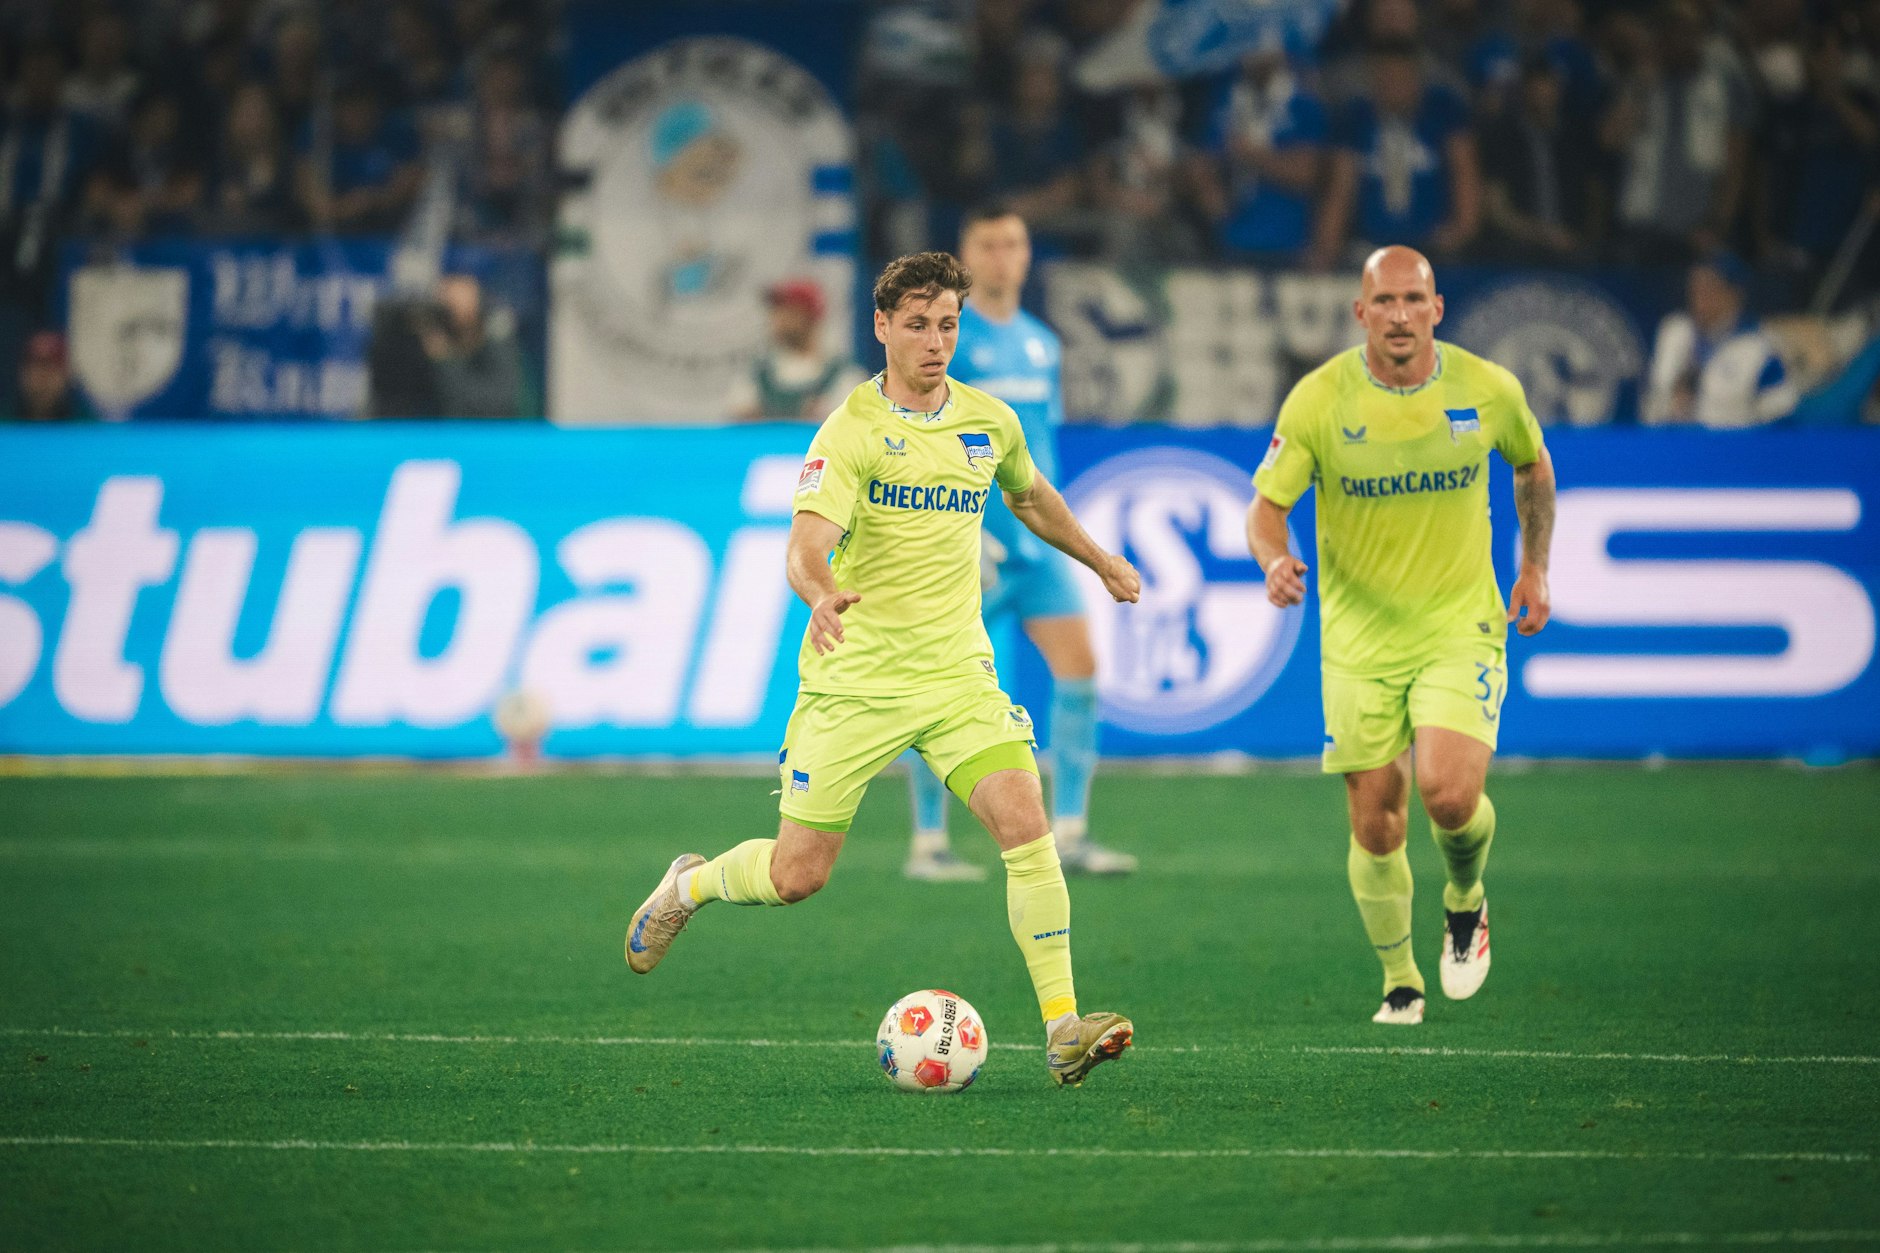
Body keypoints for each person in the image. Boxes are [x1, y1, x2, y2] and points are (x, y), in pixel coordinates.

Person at [626, 251, 1141, 1087]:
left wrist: (1098, 558)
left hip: (956, 678)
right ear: (881, 327)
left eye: (947, 325)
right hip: (855, 683)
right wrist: (821, 595)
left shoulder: (989, 421)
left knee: (1025, 820)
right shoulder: (850, 431)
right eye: (917, 325)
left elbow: (1031, 495)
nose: (935, 342)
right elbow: (805, 546)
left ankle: (1062, 1026)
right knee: (799, 875)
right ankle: (694, 883)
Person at [1247, 245, 1556, 1026]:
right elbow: (1266, 509)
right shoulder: (1318, 402)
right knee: (1377, 816)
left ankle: (1465, 896)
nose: (1398, 315)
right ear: (1360, 314)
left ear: (1437, 309)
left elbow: (1532, 466)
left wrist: (1536, 568)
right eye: (1382, 301)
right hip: (1358, 639)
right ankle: (1400, 979)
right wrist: (1274, 559)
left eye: (1413, 300)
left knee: (1450, 797)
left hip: (1460, 624)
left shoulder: (1487, 389)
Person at [902, 205, 1137, 882]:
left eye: (1014, 244)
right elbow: (930, 439)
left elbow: (1038, 450)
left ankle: (1071, 831)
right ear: (966, 255)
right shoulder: (951, 341)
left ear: (1027, 255)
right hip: (968, 551)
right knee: (935, 693)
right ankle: (928, 845)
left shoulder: (1042, 342)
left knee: (1081, 669)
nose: (1003, 256)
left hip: (1034, 552)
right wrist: (963, 532)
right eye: (989, 244)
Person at [1312, 41, 1481, 268]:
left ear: (1416, 78)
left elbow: (1464, 173)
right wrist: (1326, 248)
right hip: (1371, 249)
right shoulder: (1356, 120)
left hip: (1432, 249)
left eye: (1400, 78)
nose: (1391, 86)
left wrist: (1461, 229)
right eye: (1383, 78)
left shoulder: (1443, 112)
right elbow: (1340, 189)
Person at [1641, 253, 1798, 427]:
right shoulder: (1674, 331)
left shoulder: (1761, 348)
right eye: (1695, 289)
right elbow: (1651, 398)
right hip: (1668, 445)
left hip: (1729, 449)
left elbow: (1780, 422)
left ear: (1734, 294)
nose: (1699, 297)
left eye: (1709, 288)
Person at [725, 279, 867, 422]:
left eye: (788, 311)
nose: (777, 319)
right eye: (776, 311)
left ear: (810, 317)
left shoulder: (844, 375)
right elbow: (738, 418)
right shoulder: (758, 374)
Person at [2, 331, 91, 422]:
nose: (43, 378)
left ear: (65, 374)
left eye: (50, 368)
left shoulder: (85, 424)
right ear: (23, 372)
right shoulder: (5, 421)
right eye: (36, 367)